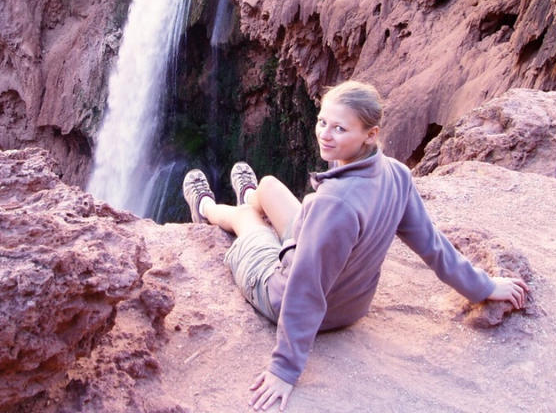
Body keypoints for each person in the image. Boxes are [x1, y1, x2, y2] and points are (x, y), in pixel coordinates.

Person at [181, 80, 529, 411]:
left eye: (339, 129)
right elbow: (434, 247)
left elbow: (306, 287)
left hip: (286, 295)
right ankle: (250, 194)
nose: (324, 134)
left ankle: (207, 209)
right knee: (270, 186)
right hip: (353, 304)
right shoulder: (396, 175)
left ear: (369, 134)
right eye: (322, 122)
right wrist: (483, 286)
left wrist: (285, 369)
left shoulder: (333, 206)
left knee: (248, 223)